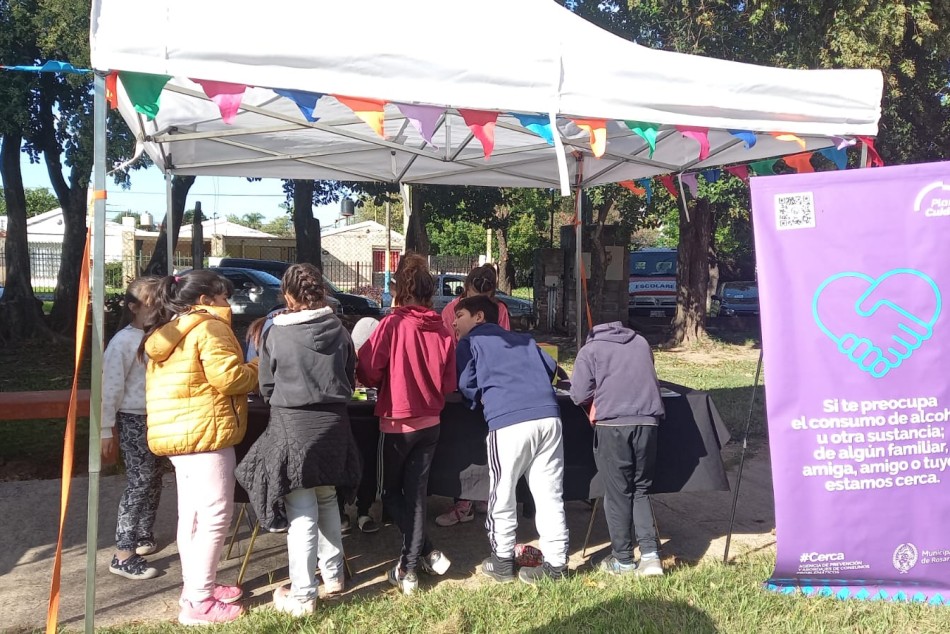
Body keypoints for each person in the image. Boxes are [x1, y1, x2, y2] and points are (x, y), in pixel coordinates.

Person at [235, 264, 362, 616]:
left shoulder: (276, 334)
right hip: (335, 426)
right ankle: (334, 576)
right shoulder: (340, 329)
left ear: (288, 297)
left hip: (294, 427)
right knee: (326, 500)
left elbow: (266, 385)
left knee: (301, 511)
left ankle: (304, 595)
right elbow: (350, 378)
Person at [141, 270, 259, 626]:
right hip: (206, 432)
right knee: (214, 517)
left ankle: (194, 587)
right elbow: (229, 378)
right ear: (206, 300)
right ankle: (199, 602)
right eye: (224, 297)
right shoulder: (210, 327)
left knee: (191, 515)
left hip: (180, 434)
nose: (229, 304)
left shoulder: (169, 331)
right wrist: (259, 365)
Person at [357, 253, 456, 595]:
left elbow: (367, 369)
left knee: (390, 493)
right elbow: (448, 382)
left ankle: (410, 566)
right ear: (430, 294)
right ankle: (423, 554)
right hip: (431, 422)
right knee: (415, 496)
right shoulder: (442, 329)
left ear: (400, 290)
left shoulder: (392, 324)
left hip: (397, 422)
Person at [453, 295, 569, 584]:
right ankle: (556, 566)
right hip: (549, 418)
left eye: (460, 314)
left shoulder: (469, 343)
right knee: (549, 494)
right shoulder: (524, 339)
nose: (454, 321)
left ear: (479, 317)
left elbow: (467, 384)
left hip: (507, 421)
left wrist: (477, 402)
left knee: (502, 493)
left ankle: (502, 562)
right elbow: (553, 370)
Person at [570, 321, 665, 577]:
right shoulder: (641, 342)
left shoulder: (590, 350)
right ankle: (650, 556)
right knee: (641, 489)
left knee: (617, 492)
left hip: (613, 425)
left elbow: (578, 395)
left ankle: (623, 559)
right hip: (648, 422)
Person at [437, 265, 510, 527]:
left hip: (488, 385)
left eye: (487, 300)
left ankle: (481, 497)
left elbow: (504, 343)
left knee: (484, 442)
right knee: (463, 444)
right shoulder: (450, 311)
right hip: (461, 382)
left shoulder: (499, 309)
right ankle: (464, 501)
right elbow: (446, 346)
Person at [101, 276, 163, 581]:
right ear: (132, 307)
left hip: (159, 417)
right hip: (133, 418)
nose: (156, 310)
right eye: (151, 304)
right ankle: (122, 553)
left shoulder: (160, 336)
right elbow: (109, 389)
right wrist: (105, 429)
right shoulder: (123, 342)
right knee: (139, 482)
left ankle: (141, 535)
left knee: (154, 480)